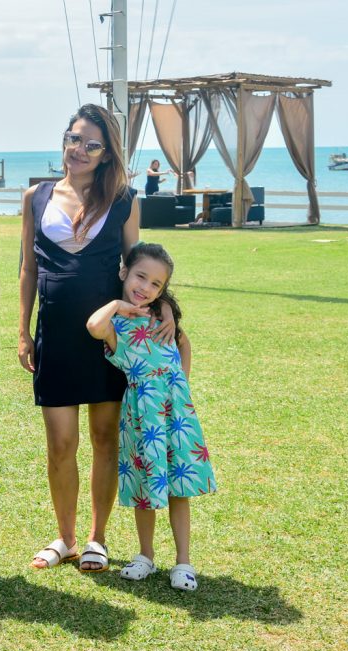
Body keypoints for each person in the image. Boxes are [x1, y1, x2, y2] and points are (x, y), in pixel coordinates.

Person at [19, 104, 175, 573]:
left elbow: (138, 266)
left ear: (106, 154)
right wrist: (22, 331)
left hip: (110, 339)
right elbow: (28, 267)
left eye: (91, 144)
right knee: (60, 444)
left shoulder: (124, 199)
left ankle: (96, 538)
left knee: (105, 438)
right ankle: (65, 537)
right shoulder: (36, 196)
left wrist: (165, 303)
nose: (79, 150)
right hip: (56, 336)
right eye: (73, 139)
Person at [85, 242, 215, 591]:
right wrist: (116, 303)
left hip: (176, 411)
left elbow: (184, 343)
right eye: (140, 277)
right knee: (146, 484)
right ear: (124, 272)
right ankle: (145, 555)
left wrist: (181, 380)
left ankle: (184, 562)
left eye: (156, 284)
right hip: (142, 413)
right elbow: (94, 326)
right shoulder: (116, 322)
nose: (145, 288)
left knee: (178, 485)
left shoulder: (162, 315)